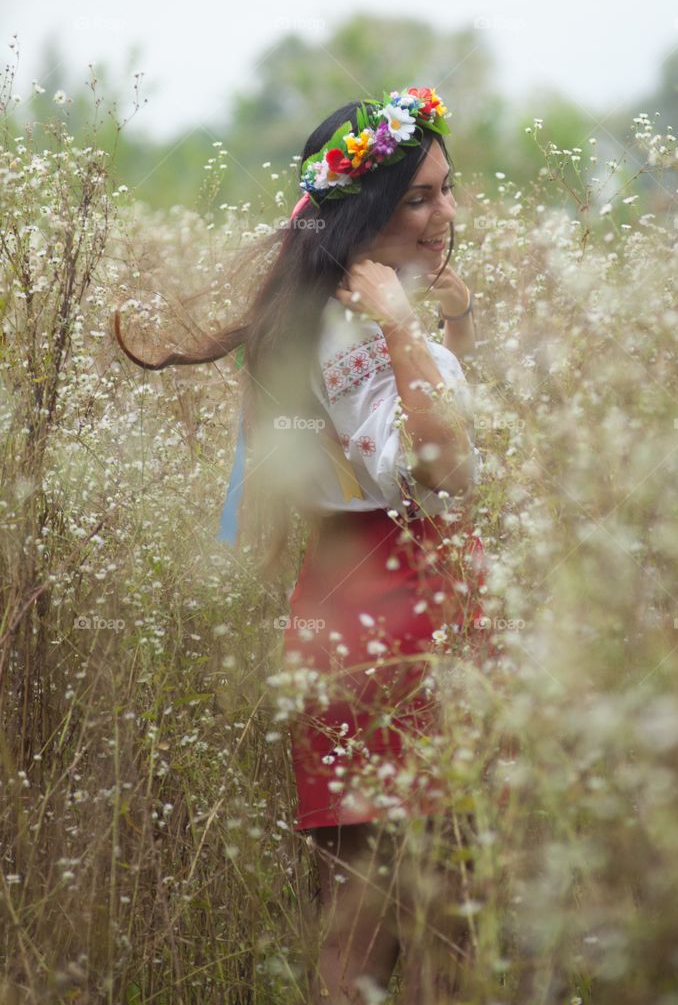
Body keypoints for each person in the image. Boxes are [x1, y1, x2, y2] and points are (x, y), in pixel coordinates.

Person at [114, 86, 491, 1002]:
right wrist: (406, 328)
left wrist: (452, 322)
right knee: (446, 919)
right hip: (401, 602)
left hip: (338, 596)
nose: (445, 213)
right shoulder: (362, 329)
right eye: (418, 197)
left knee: (358, 920)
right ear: (362, 210)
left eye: (446, 189)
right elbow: (440, 472)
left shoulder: (308, 314)